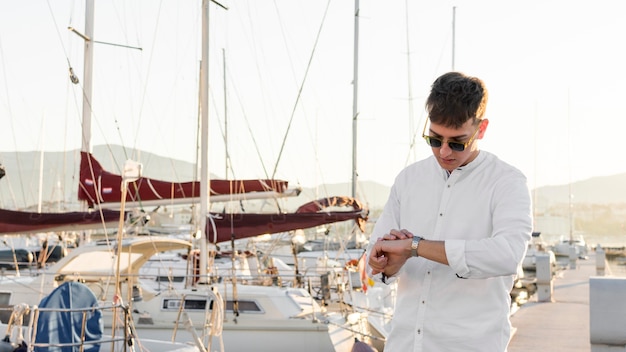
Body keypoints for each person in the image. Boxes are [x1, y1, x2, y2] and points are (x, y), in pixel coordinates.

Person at [367, 71, 532, 351]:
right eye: (434, 139)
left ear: (482, 129)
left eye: (457, 142)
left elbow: (507, 255)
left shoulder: (507, 182)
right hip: (404, 343)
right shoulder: (408, 179)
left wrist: (416, 247)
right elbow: (376, 252)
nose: (444, 152)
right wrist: (384, 264)